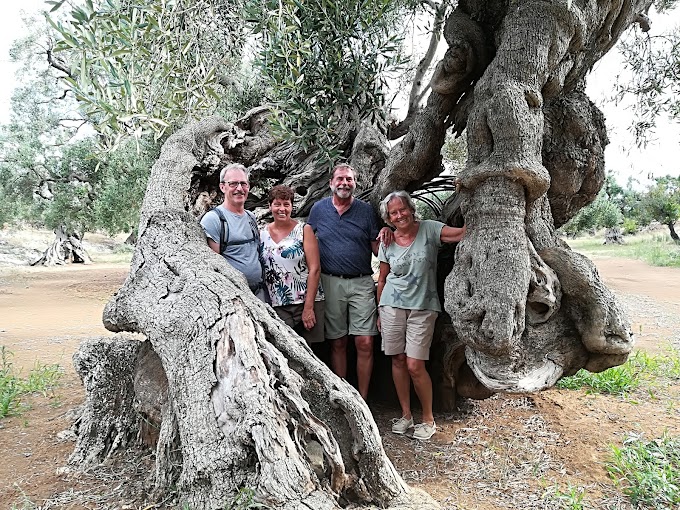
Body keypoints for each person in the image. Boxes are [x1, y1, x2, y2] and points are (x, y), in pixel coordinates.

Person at [376, 190, 466, 440]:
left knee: (415, 365)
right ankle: (406, 415)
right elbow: (382, 279)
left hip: (423, 307)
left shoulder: (429, 229)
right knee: (397, 361)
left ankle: (428, 419)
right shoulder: (387, 240)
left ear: (411, 209)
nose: (399, 214)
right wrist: (380, 312)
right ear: (389, 218)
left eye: (403, 209)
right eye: (394, 212)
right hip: (391, 305)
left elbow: (460, 234)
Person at [307, 163, 389, 399]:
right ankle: (343, 396)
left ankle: (362, 400)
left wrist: (387, 234)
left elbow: (377, 250)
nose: (344, 183)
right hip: (329, 282)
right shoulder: (318, 210)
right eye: (340, 179)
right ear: (331, 183)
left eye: (349, 180)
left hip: (362, 282)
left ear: (355, 183)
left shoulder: (365, 211)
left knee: (364, 342)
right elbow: (307, 242)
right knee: (338, 342)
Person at [260, 185, 325, 344]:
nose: (282, 209)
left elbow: (315, 269)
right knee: (286, 350)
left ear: (292, 207)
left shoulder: (304, 230)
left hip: (307, 301)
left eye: (286, 204)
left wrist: (308, 308)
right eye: (277, 204)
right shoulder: (262, 233)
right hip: (278, 305)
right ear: (270, 206)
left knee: (312, 352)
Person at [200, 163, 267, 302]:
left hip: (260, 294)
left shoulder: (251, 217)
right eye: (233, 184)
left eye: (243, 183)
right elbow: (213, 265)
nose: (239, 188)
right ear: (222, 187)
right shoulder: (213, 220)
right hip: (235, 298)